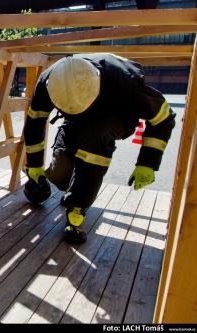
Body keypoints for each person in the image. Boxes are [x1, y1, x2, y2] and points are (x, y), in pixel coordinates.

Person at [23, 53, 176, 244]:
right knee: (60, 173)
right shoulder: (48, 80)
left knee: (95, 140)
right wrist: (35, 166)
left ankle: (77, 210)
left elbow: (164, 119)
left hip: (112, 116)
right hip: (73, 119)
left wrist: (148, 163)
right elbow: (35, 122)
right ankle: (70, 187)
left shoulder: (126, 82)